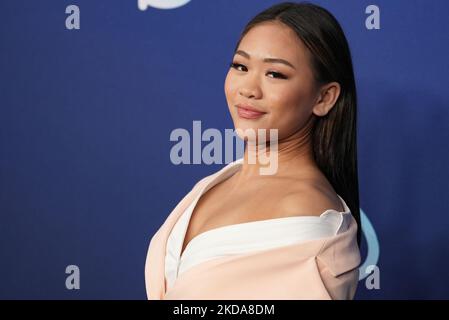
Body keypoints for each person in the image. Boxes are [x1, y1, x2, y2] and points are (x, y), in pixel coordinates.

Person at [145, 1, 361, 300]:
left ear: (324, 98)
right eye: (241, 66)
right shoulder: (218, 182)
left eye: (274, 74)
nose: (248, 89)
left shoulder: (305, 214)